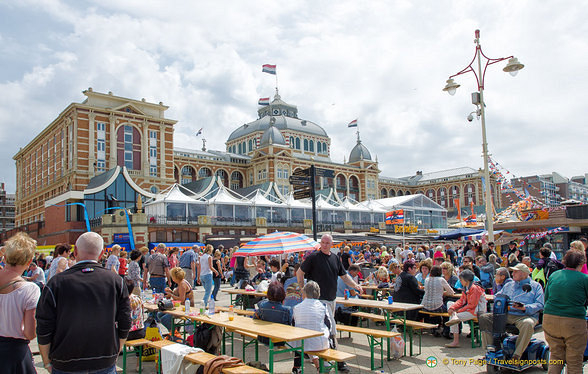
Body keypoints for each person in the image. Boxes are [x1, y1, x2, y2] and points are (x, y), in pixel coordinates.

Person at [37, 232, 131, 373]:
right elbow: (125, 321)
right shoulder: (116, 281)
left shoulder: (56, 283)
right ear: (100, 255)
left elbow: (44, 325)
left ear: (75, 252)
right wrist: (118, 348)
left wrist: (46, 361)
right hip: (104, 358)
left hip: (66, 359)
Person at [297, 234, 362, 373]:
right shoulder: (313, 257)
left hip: (331, 300)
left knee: (325, 330)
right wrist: (303, 291)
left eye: (327, 243)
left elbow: (344, 276)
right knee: (330, 330)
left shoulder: (335, 258)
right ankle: (338, 362)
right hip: (317, 301)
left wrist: (355, 286)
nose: (325, 245)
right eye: (323, 242)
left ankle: (321, 357)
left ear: (332, 244)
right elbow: (299, 273)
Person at [479, 263, 544, 362]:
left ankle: (516, 355)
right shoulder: (509, 285)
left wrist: (524, 307)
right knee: (484, 317)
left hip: (525, 315)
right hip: (507, 314)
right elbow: (498, 296)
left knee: (528, 324)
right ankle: (490, 350)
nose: (512, 274)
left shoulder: (535, 286)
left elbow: (540, 304)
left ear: (523, 274)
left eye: (515, 272)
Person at [0, 232, 41, 373]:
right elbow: (30, 333)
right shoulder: (29, 289)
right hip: (15, 353)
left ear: (5, 258)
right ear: (29, 261)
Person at [542, 249, 588, 374]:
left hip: (550, 319)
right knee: (574, 361)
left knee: (556, 358)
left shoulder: (554, 275)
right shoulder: (584, 278)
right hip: (573, 322)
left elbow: (546, 298)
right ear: (581, 264)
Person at [291, 281, 332, 374]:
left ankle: (297, 367)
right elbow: (329, 325)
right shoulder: (323, 306)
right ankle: (325, 365)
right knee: (320, 338)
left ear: (304, 293)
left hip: (300, 344)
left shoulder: (297, 307)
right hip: (319, 343)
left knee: (301, 339)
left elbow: (293, 325)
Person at [445, 269, 486, 348]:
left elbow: (472, 305)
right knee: (450, 304)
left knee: (455, 317)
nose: (460, 281)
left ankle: (455, 341)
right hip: (471, 310)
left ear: (466, 280)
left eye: (461, 279)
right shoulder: (466, 288)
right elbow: (462, 301)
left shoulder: (475, 288)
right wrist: (453, 308)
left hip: (477, 311)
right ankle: (454, 316)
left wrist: (458, 310)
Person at [254, 281, 292, 346]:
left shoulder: (262, 306)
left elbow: (255, 317)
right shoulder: (287, 310)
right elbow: (291, 324)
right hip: (281, 340)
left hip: (263, 338)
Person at [421, 265, 454, 336]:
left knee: (434, 311)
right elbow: (451, 292)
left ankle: (434, 329)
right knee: (447, 312)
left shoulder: (427, 280)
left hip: (425, 306)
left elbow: (426, 290)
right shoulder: (441, 280)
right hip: (437, 306)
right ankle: (446, 330)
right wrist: (442, 292)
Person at [159, 267, 194, 332]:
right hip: (181, 307)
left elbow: (181, 299)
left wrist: (171, 295)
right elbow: (179, 295)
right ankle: (173, 329)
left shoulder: (182, 285)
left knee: (165, 319)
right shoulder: (181, 282)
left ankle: (174, 332)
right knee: (159, 314)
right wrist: (171, 292)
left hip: (185, 309)